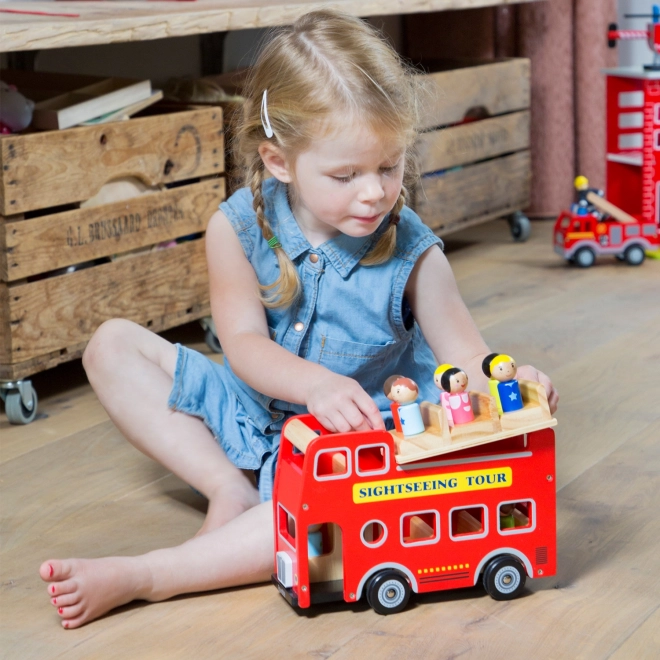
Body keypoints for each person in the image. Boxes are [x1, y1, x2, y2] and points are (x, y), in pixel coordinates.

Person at [39, 9, 559, 629]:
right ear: (280, 162)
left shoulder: (414, 252)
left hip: (362, 442)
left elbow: (468, 356)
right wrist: (313, 386)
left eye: (389, 167)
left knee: (318, 518)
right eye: (345, 175)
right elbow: (243, 347)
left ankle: (152, 574)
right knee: (110, 347)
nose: (373, 192)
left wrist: (510, 382)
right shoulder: (236, 227)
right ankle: (226, 487)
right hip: (259, 414)